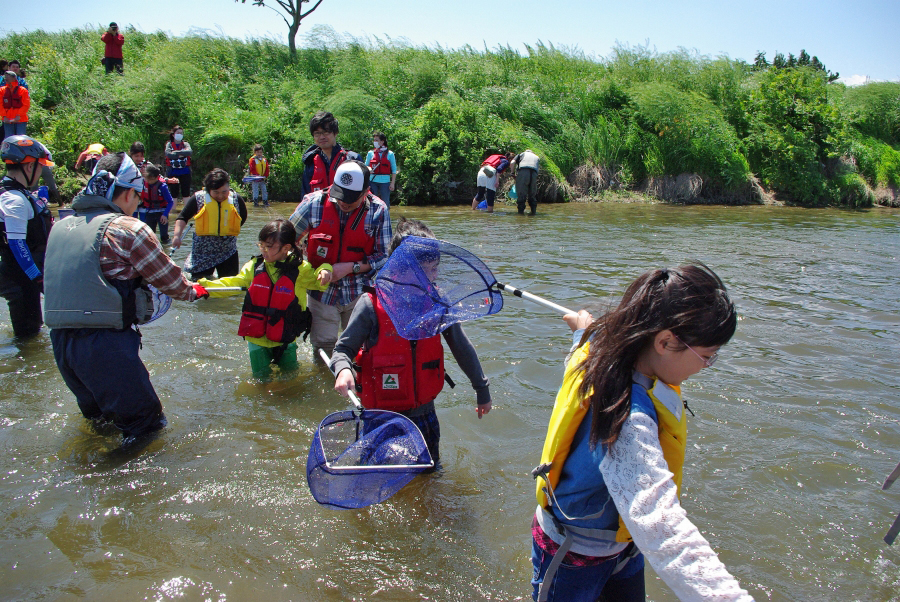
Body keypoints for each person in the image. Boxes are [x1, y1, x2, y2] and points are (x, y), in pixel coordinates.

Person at [529, 264, 751, 602]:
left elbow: (581, 351)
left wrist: (581, 331)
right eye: (707, 356)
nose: (707, 366)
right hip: (574, 554)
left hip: (624, 548)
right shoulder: (627, 421)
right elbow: (661, 528)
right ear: (664, 341)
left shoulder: (603, 350)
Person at [42, 152, 207, 443]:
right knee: (146, 426)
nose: (139, 202)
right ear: (129, 192)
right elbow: (170, 281)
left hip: (61, 345)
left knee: (100, 425)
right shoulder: (128, 229)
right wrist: (193, 291)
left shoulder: (60, 227)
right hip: (104, 347)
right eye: (138, 195)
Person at [328, 217, 491, 464]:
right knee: (377, 473)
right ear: (399, 267)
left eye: (434, 269)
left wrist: (481, 388)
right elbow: (342, 350)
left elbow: (461, 347)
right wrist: (343, 371)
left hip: (423, 412)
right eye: (423, 272)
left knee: (427, 473)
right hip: (379, 415)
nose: (431, 278)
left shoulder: (437, 303)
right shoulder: (371, 305)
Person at [198, 219, 334, 379]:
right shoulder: (254, 266)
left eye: (269, 247)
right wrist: (204, 288)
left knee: (290, 379)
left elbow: (319, 283)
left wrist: (326, 269)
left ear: (286, 248)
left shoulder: (300, 269)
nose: (264, 250)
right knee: (261, 380)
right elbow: (233, 283)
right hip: (257, 341)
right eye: (261, 245)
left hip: (286, 339)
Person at [288, 160, 390, 359]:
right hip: (321, 292)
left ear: (365, 192)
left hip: (359, 293)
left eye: (350, 199)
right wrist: (304, 270)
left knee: (360, 351)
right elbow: (285, 241)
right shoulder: (313, 203)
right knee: (323, 350)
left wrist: (350, 268)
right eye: (339, 195)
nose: (343, 202)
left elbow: (383, 257)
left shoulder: (378, 210)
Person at [0, 136, 55, 337]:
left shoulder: (17, 194)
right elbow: (16, 243)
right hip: (21, 280)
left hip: (23, 276)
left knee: (33, 334)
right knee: (29, 340)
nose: (41, 172)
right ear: (29, 166)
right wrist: (36, 277)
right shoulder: (14, 199)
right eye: (40, 167)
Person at [172, 167, 248, 280]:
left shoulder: (236, 199)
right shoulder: (198, 198)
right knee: (200, 286)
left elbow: (243, 217)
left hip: (227, 250)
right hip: (202, 252)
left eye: (224, 191)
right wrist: (176, 236)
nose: (221, 196)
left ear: (228, 187)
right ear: (208, 190)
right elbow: (182, 218)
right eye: (216, 192)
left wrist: (229, 228)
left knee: (229, 287)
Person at [301, 111, 357, 196]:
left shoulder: (352, 159)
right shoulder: (310, 162)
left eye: (326, 132)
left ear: (335, 133)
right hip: (319, 208)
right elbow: (305, 197)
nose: (322, 137)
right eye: (317, 133)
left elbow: (364, 194)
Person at [138, 162, 174, 244]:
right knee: (150, 236)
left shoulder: (162, 187)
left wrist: (165, 215)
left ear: (156, 178)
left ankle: (165, 250)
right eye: (147, 179)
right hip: (149, 213)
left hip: (161, 213)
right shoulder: (145, 184)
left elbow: (170, 202)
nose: (148, 181)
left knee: (164, 236)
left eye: (150, 179)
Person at [364, 132, 397, 207]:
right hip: (373, 182)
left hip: (385, 182)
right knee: (372, 202)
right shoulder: (370, 153)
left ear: (382, 141)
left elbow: (394, 170)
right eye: (374, 140)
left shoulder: (390, 154)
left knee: (385, 203)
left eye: (376, 140)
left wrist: (392, 183)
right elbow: (366, 166)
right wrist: (369, 169)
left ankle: (385, 217)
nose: (374, 142)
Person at [164, 125, 192, 205]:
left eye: (181, 133)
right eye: (178, 133)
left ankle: (188, 212)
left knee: (186, 193)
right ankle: (173, 213)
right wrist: (182, 154)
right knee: (173, 194)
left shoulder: (185, 144)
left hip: (185, 171)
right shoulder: (169, 144)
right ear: (173, 134)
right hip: (173, 172)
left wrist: (176, 153)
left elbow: (189, 152)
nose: (180, 134)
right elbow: (169, 154)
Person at [1, 71, 30, 142]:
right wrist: (4, 116)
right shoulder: (2, 90)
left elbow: (26, 105)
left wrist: (19, 115)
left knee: (21, 140)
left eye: (8, 76)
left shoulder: (23, 90)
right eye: (5, 76)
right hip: (7, 120)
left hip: (21, 119)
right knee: (9, 140)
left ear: (14, 78)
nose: (6, 78)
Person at [512, 149, 540, 215]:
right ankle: (533, 213)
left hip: (523, 172)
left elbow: (512, 162)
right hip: (534, 173)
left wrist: (512, 173)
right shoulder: (537, 157)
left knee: (521, 194)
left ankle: (520, 214)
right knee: (532, 195)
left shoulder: (521, 154)